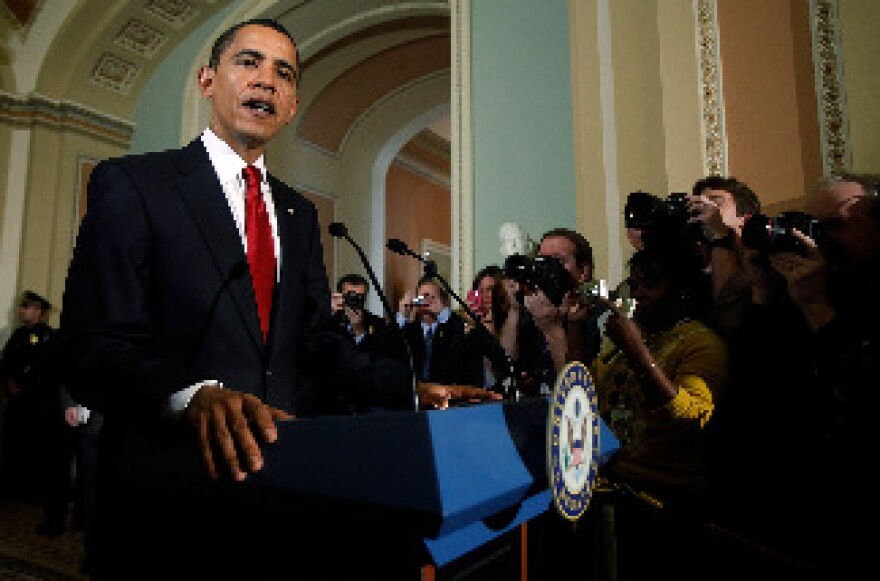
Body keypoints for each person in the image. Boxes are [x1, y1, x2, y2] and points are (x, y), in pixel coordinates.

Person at [59, 18, 496, 579]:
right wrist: (192, 395)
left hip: (282, 503)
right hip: (167, 504)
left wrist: (412, 391)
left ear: (290, 106)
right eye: (248, 63)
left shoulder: (298, 214)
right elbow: (91, 344)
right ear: (207, 80)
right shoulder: (135, 185)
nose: (265, 81)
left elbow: (319, 345)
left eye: (283, 73)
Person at [591, 242, 729, 581]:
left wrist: (638, 354)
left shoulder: (701, 342)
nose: (638, 293)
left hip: (665, 506)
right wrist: (576, 327)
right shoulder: (628, 343)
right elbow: (587, 397)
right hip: (615, 497)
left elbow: (690, 420)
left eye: (650, 283)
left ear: (681, 290)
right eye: (633, 284)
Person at [500, 227, 602, 395]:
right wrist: (514, 310)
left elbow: (579, 393)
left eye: (558, 261)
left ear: (583, 272)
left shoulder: (597, 316)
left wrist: (551, 330)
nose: (547, 268)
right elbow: (504, 368)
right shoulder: (536, 308)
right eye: (542, 261)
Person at [0, 291, 57, 503]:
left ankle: (33, 490)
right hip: (16, 401)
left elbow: (45, 369)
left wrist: (26, 385)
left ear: (39, 311)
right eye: (22, 307)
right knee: (13, 442)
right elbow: (6, 362)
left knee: (34, 445)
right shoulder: (17, 335)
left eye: (27, 307)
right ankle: (12, 486)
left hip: (37, 402)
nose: (22, 311)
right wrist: (10, 382)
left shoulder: (48, 336)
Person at [396, 276, 484, 388]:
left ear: (443, 301)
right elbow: (390, 349)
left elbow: (460, 349)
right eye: (422, 297)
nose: (426, 302)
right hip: (415, 395)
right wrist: (402, 315)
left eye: (432, 297)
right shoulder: (408, 330)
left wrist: (442, 313)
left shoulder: (454, 327)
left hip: (450, 394)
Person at [330, 273, 396, 358]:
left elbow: (379, 356)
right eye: (351, 296)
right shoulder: (330, 319)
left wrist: (359, 331)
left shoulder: (377, 323)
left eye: (360, 297)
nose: (355, 301)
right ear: (340, 295)